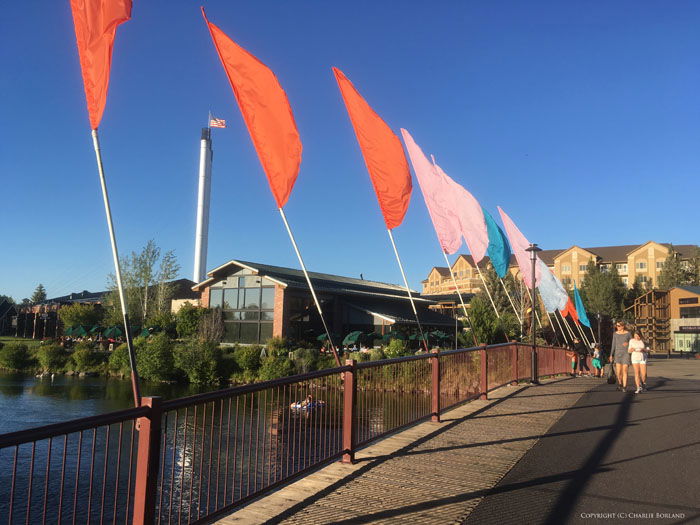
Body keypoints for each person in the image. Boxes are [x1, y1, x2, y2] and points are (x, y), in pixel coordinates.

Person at [609, 320, 632, 391]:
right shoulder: (615, 334)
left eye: (618, 326)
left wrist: (628, 344)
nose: (617, 327)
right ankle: (620, 384)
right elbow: (613, 344)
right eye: (616, 326)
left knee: (624, 370)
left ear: (623, 326)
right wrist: (611, 355)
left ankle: (624, 386)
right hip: (617, 354)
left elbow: (632, 342)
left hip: (626, 354)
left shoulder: (628, 333)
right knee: (618, 372)